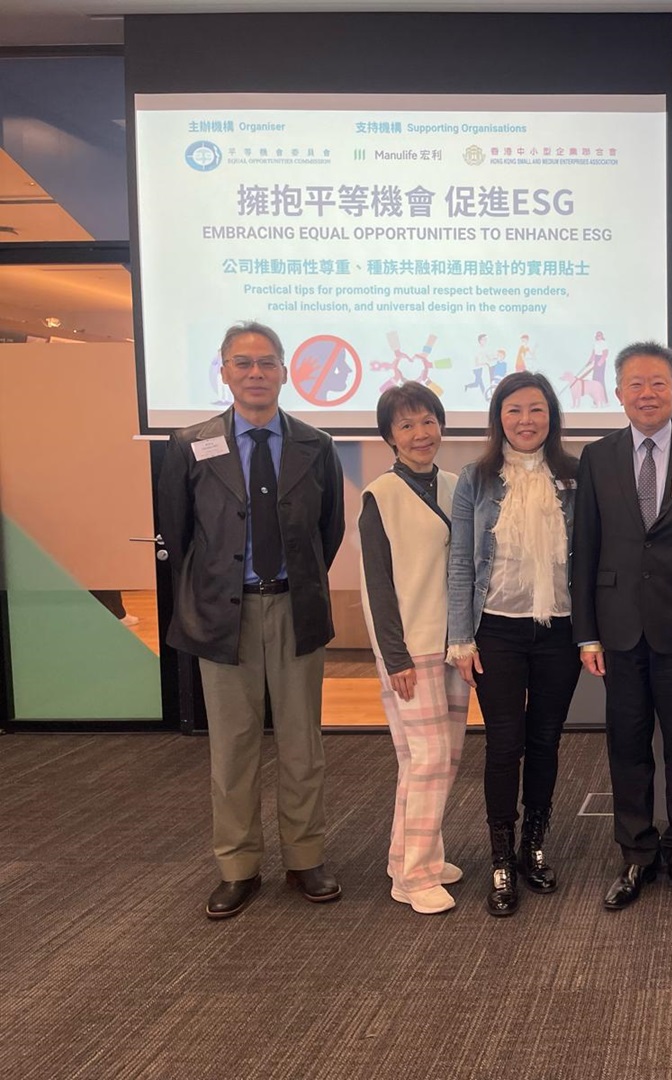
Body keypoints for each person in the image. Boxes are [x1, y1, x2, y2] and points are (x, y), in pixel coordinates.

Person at [157, 321, 344, 919]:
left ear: (285, 372)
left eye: (267, 362)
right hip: (223, 616)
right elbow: (179, 535)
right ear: (225, 371)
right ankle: (237, 865)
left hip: (294, 608)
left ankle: (305, 857)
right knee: (233, 746)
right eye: (243, 362)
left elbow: (329, 531)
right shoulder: (190, 445)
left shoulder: (316, 444)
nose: (256, 373)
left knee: (302, 743)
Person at [571, 341, 672, 910]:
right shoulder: (597, 457)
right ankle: (637, 854)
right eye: (636, 384)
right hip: (618, 631)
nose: (647, 394)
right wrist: (586, 632)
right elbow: (585, 549)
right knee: (627, 747)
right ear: (618, 393)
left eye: (658, 383)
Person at [447, 372, 581, 918]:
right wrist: (460, 637)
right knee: (505, 744)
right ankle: (501, 856)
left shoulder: (575, 475)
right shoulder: (475, 479)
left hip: (560, 630)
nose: (526, 420)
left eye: (536, 410)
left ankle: (533, 845)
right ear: (498, 418)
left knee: (546, 740)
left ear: (552, 416)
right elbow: (461, 560)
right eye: (514, 410)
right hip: (496, 629)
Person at [358, 383, 467, 915]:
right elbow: (376, 585)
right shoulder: (380, 495)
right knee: (428, 758)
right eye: (406, 425)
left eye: (428, 421)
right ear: (390, 437)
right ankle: (415, 877)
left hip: (454, 646)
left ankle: (408, 857)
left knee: (437, 759)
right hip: (411, 648)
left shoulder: (455, 485)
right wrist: (394, 657)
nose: (421, 433)